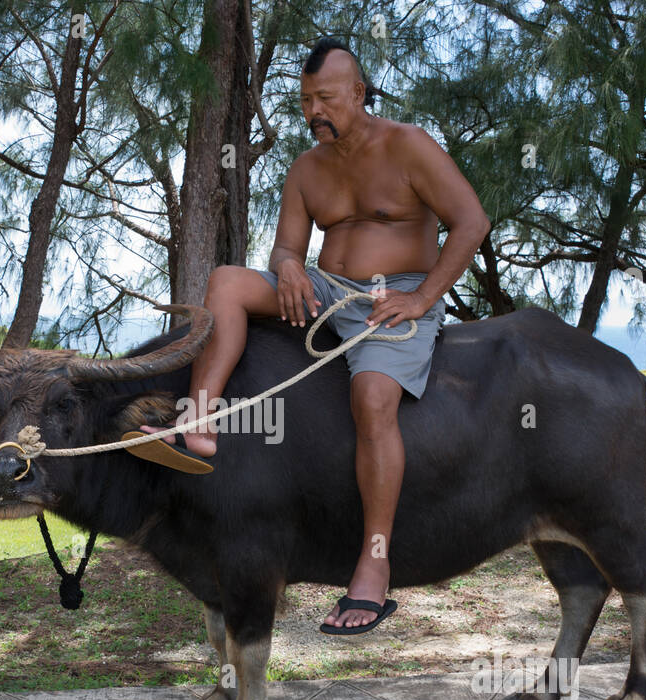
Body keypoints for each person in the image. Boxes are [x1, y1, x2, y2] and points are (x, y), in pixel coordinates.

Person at [126, 37, 490, 634]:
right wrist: (290, 265)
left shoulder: (408, 146)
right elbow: (288, 246)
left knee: (373, 396)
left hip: (389, 297)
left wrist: (423, 297)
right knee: (226, 281)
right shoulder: (306, 167)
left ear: (358, 92)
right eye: (304, 100)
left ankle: (373, 564)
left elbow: (471, 221)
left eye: (325, 98)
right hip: (326, 288)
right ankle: (198, 419)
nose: (313, 110)